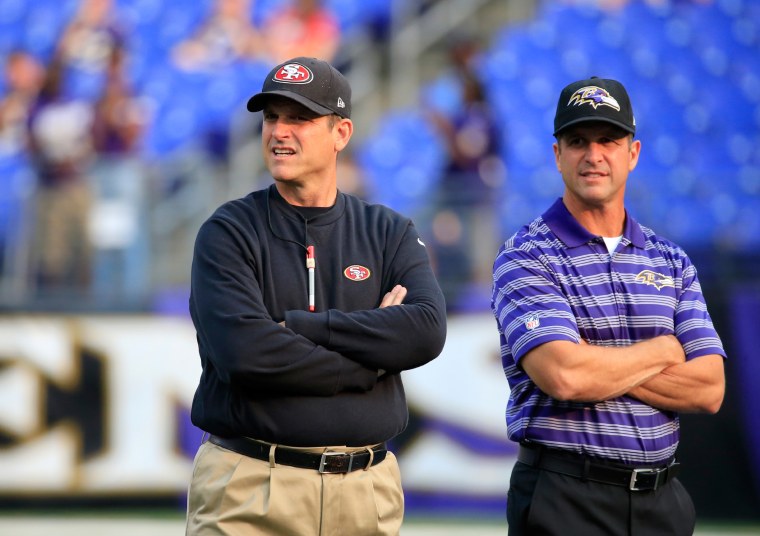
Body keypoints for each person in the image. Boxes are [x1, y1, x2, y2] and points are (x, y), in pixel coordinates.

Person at [185, 56, 447, 535]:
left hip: (365, 491)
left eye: (300, 117)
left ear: (341, 133)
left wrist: (306, 327)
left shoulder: (389, 231)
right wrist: (371, 359)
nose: (280, 131)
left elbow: (424, 331)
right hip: (250, 487)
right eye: (272, 117)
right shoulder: (227, 232)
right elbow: (246, 354)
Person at [490, 77, 726, 535]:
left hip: (663, 501)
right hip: (565, 498)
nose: (593, 155)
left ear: (632, 153)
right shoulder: (525, 254)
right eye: (577, 141)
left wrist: (596, 359)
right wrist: (661, 350)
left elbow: (709, 389)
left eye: (608, 140)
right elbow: (566, 375)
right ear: (558, 155)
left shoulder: (671, 260)